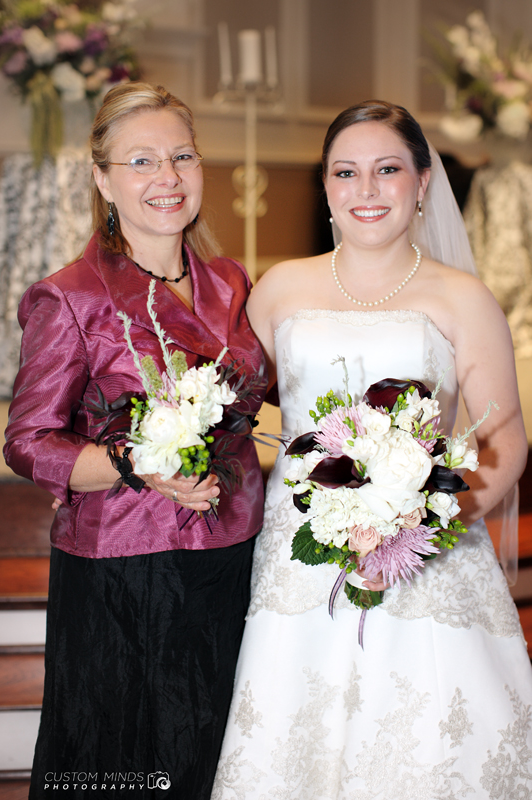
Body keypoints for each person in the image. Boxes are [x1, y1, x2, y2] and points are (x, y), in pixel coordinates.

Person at [211, 101, 532, 798]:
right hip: (299, 558)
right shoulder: (280, 287)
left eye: (387, 170)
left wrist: (421, 528)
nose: (365, 189)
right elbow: (226, 410)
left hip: (428, 554)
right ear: (325, 186)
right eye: (345, 172)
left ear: (422, 183)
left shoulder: (463, 298)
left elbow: (504, 435)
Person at [4, 82, 266, 799]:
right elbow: (29, 441)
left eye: (182, 156)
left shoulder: (231, 282)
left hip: (233, 554)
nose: (168, 177)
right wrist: (131, 463)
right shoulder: (72, 294)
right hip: (125, 571)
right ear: (102, 179)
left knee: (214, 759)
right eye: (142, 161)